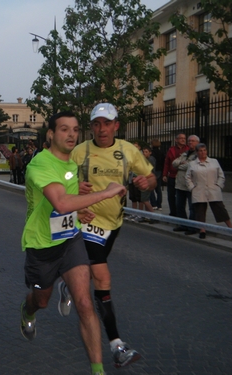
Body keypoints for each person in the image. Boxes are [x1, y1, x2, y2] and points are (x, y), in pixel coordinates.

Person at [20, 111, 127, 375]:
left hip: (70, 241)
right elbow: (61, 202)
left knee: (84, 303)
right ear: (51, 134)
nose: (71, 135)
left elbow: (67, 203)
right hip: (42, 246)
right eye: (64, 129)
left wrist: (77, 214)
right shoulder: (40, 164)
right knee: (41, 301)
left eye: (76, 130)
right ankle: (27, 311)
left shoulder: (72, 165)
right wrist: (107, 192)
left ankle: (98, 369)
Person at [69, 103, 156, 368]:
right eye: (96, 124)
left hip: (114, 224)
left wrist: (146, 183)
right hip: (87, 223)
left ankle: (69, 276)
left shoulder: (128, 151)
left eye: (107, 123)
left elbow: (151, 178)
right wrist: (74, 185)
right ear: (91, 126)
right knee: (102, 277)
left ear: (116, 125)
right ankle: (116, 345)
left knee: (88, 273)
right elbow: (61, 179)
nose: (101, 129)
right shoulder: (80, 151)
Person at [185, 143, 232, 239]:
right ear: (197, 152)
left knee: (220, 208)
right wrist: (192, 188)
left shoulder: (214, 161)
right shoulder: (192, 164)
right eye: (200, 151)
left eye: (204, 150)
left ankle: (230, 226)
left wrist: (219, 185)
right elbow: (187, 177)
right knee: (200, 210)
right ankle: (202, 230)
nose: (203, 152)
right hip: (199, 190)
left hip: (213, 189)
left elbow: (221, 175)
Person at [172, 135, 199, 234]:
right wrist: (181, 164)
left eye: (193, 141)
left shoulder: (198, 154)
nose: (190, 142)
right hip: (180, 184)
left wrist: (180, 165)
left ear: (197, 142)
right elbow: (174, 163)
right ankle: (183, 224)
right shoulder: (185, 153)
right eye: (189, 141)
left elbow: (191, 166)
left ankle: (193, 227)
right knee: (179, 206)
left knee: (192, 207)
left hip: (191, 185)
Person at [163, 134, 189, 217]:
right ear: (176, 140)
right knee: (171, 195)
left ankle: (181, 213)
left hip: (183, 176)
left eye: (184, 138)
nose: (183, 140)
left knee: (181, 197)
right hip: (172, 176)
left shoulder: (188, 149)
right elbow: (167, 163)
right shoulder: (171, 150)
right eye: (181, 138)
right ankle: (173, 212)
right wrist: (164, 174)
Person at [150, 139, 164, 210]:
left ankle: (154, 203)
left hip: (152, 171)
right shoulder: (161, 152)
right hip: (159, 171)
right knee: (158, 189)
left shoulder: (151, 153)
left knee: (151, 188)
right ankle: (159, 205)